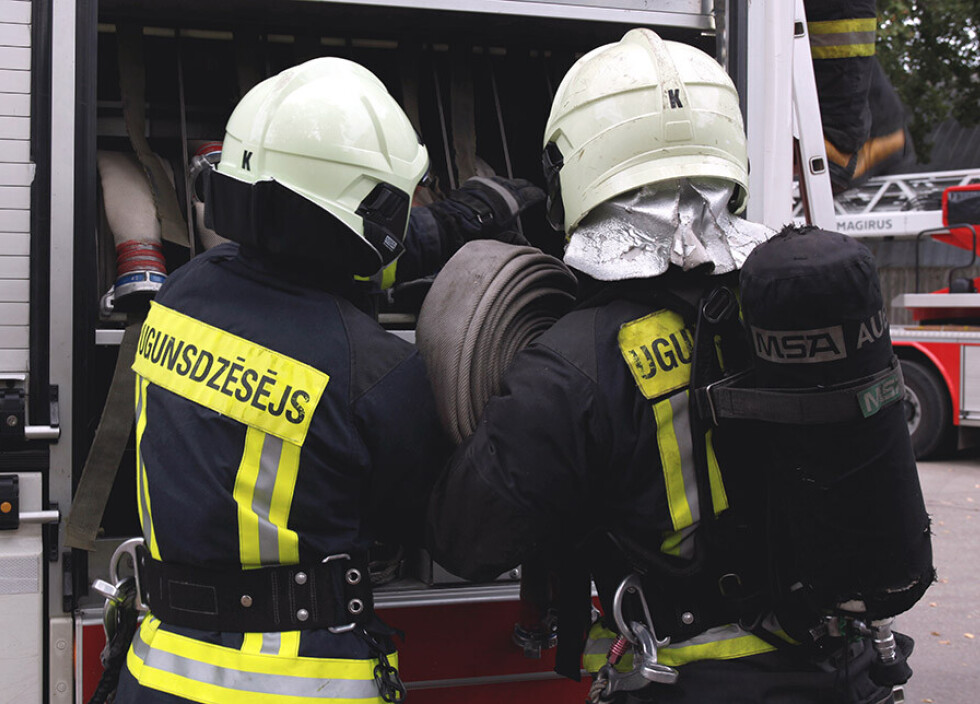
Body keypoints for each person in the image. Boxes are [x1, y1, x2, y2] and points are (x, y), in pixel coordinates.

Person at [426, 28, 909, 704]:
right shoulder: (793, 313)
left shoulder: (572, 363)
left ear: (573, 170)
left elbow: (465, 541)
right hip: (850, 673)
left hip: (694, 686)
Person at [113, 56, 540, 704]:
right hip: (304, 686)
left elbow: (314, 255)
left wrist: (451, 225)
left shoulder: (181, 295)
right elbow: (464, 542)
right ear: (371, 209)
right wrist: (532, 402)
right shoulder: (378, 375)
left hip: (155, 673)